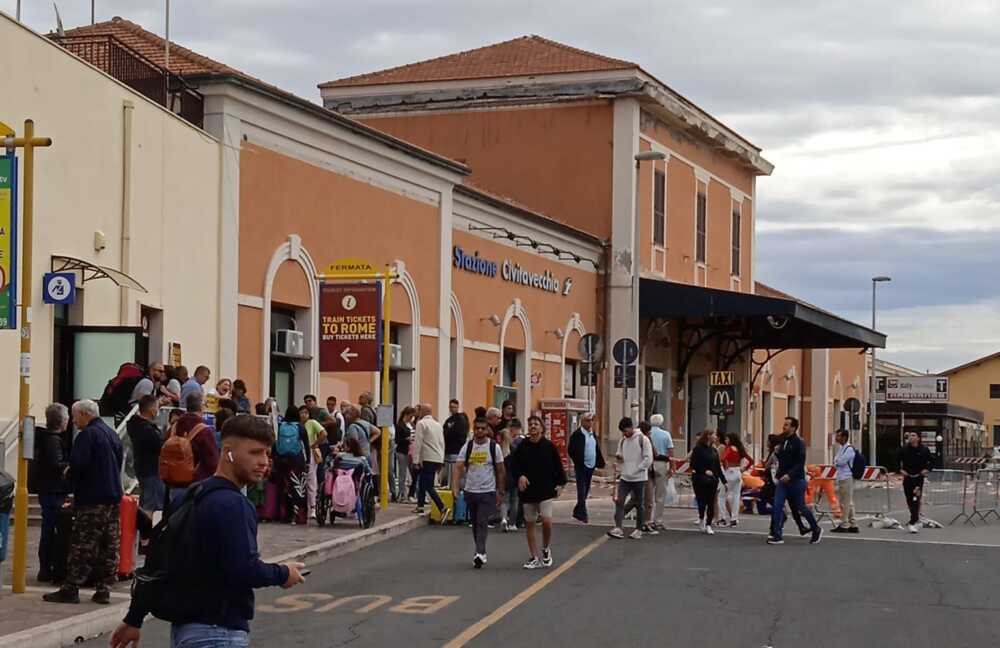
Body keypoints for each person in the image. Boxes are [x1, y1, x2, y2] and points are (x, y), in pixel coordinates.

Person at [110, 415, 306, 648]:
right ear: (228, 452)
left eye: (266, 453)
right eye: (255, 452)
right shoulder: (233, 504)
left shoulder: (189, 495)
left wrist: (134, 618)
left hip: (186, 632)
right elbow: (243, 568)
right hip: (219, 633)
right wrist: (283, 573)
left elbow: (156, 561)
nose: (264, 461)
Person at [43, 399, 123, 605]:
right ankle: (104, 589)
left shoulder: (88, 435)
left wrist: (69, 474)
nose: (73, 421)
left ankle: (71, 588)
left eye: (75, 416)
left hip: (91, 498)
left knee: (83, 544)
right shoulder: (112, 434)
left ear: (86, 414)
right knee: (108, 545)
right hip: (112, 498)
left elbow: (78, 465)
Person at [510, 415, 566, 568]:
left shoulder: (549, 446)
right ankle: (534, 556)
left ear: (542, 428)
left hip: (546, 489)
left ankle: (546, 548)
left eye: (536, 424)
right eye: (531, 424)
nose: (533, 426)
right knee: (530, 523)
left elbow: (558, 467)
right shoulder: (522, 446)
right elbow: (514, 466)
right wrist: (519, 476)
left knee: (547, 520)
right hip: (528, 490)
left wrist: (561, 484)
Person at [453, 417, 506, 568]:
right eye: (477, 428)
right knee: (475, 523)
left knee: (482, 521)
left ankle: (480, 552)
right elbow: (458, 467)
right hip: (471, 490)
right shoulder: (468, 446)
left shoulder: (494, 447)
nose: (480, 431)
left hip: (487, 490)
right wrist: (455, 487)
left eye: (483, 428)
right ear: (474, 429)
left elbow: (501, 470)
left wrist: (500, 491)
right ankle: (480, 551)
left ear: (487, 430)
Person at [32, 403, 71, 583]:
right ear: (61, 420)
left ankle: (46, 567)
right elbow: (57, 465)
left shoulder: (47, 438)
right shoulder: (53, 440)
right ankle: (47, 568)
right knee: (51, 529)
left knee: (49, 528)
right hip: (53, 490)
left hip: (48, 489)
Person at [768, 417, 822, 545]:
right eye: (784, 424)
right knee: (777, 506)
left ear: (793, 428)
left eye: (786, 425)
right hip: (782, 481)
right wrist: (777, 453)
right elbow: (783, 460)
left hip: (796, 481)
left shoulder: (799, 443)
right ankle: (777, 534)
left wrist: (790, 475)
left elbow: (799, 462)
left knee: (801, 507)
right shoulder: (783, 441)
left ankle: (816, 528)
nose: (784, 427)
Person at [164, 393, 221, 508]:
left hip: (174, 483)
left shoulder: (173, 428)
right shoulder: (204, 430)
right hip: (196, 484)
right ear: (202, 406)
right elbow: (212, 462)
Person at [607, 417, 653, 539]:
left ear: (632, 427)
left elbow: (648, 459)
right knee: (620, 501)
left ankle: (638, 529)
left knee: (639, 504)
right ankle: (618, 528)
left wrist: (637, 469)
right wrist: (618, 462)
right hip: (625, 477)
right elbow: (619, 455)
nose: (624, 433)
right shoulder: (623, 440)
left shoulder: (643, 439)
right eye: (622, 432)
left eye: (626, 431)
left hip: (639, 478)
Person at [128, 395, 165, 514]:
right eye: (156, 407)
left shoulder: (136, 426)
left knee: (145, 505)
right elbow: (159, 446)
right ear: (151, 409)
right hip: (152, 471)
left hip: (143, 470)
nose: (157, 410)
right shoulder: (147, 430)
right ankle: (150, 531)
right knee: (153, 508)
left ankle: (144, 530)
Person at [412, 404, 449, 520]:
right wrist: (441, 459)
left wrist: (415, 460)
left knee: (428, 484)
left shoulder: (421, 423)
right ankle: (421, 505)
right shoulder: (438, 424)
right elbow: (442, 442)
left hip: (427, 456)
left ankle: (442, 507)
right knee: (423, 482)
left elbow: (418, 442)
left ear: (422, 411)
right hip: (437, 457)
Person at [568, 412, 603, 525]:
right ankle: (583, 514)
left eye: (591, 420)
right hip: (581, 466)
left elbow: (596, 448)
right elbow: (571, 449)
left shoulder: (593, 434)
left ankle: (577, 511)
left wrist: (599, 462)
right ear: (582, 422)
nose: (590, 423)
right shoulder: (577, 434)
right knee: (581, 490)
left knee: (586, 489)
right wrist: (578, 460)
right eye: (587, 420)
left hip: (591, 465)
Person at [687, 429, 725, 535]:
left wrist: (724, 481)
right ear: (708, 436)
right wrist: (704, 471)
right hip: (700, 479)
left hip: (713, 480)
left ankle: (708, 524)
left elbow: (717, 466)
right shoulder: (698, 449)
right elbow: (693, 464)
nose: (716, 437)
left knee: (711, 502)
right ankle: (701, 518)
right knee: (702, 501)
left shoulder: (714, 450)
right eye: (714, 435)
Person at [900, 431, 933, 533]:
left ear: (918, 438)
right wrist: (900, 470)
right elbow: (896, 460)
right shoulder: (904, 449)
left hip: (918, 478)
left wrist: (927, 469)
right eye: (910, 435)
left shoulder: (924, 450)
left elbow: (932, 461)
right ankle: (914, 517)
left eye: (913, 435)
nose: (911, 437)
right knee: (909, 499)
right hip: (908, 478)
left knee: (916, 498)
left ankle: (913, 521)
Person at [718, 432, 752, 527]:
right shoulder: (740, 449)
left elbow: (723, 458)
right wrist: (744, 468)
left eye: (727, 439)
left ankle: (722, 518)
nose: (726, 441)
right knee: (736, 496)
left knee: (721, 496)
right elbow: (751, 460)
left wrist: (725, 466)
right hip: (738, 472)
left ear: (731, 440)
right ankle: (734, 518)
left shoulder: (729, 448)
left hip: (729, 472)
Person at [647, 414, 673, 531]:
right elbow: (670, 452)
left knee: (648, 493)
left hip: (648, 464)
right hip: (661, 464)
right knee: (660, 494)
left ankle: (648, 519)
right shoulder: (666, 434)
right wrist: (672, 467)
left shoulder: (647, 434)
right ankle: (658, 521)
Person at [300, 405, 326, 520]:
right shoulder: (297, 425)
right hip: (299, 453)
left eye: (306, 412)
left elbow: (323, 433)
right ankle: (303, 506)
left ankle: (313, 507)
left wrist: (315, 444)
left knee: (311, 478)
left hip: (310, 452)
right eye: (301, 412)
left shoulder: (312, 422)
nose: (303, 415)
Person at [831, 429, 860, 534]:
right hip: (842, 477)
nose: (836, 438)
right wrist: (836, 461)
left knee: (845, 502)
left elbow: (840, 461)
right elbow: (836, 461)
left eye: (838, 436)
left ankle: (844, 524)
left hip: (846, 477)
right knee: (849, 502)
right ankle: (853, 524)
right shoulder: (842, 448)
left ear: (844, 437)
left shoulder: (849, 449)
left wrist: (837, 461)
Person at [500, 418, 526, 531]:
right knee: (515, 499)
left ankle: (504, 518)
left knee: (505, 498)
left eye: (511, 429)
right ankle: (513, 523)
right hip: (517, 474)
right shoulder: (523, 441)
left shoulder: (509, 442)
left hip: (506, 472)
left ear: (515, 428)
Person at [443, 399, 470, 488]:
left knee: (456, 473)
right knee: (448, 473)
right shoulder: (448, 420)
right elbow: (444, 432)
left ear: (458, 407)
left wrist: (450, 433)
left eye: (455, 407)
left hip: (457, 450)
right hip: (448, 450)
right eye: (451, 407)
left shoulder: (461, 420)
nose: (453, 409)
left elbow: (461, 434)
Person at [394, 406, 417, 503]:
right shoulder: (400, 425)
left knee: (413, 473)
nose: (412, 418)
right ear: (406, 415)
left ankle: (411, 493)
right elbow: (397, 440)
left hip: (411, 451)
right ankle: (402, 494)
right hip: (402, 451)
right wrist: (406, 439)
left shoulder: (411, 424)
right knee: (402, 474)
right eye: (411, 416)